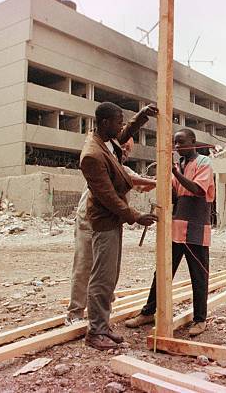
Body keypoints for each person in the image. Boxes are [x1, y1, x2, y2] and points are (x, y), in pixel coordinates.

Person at [79, 101, 158, 350]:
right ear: (105, 123)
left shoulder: (106, 141)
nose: (121, 127)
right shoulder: (92, 155)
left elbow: (125, 133)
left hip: (112, 219)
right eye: (118, 122)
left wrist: (142, 115)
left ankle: (102, 325)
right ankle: (95, 332)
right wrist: (135, 215)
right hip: (105, 220)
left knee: (110, 275)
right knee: (102, 278)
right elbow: (107, 197)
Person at [125, 128, 215, 336]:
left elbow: (197, 190)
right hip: (176, 227)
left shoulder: (204, 163)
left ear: (193, 142)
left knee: (198, 275)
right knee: (163, 271)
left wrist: (174, 173)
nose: (177, 147)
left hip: (196, 227)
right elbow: (175, 195)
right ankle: (149, 311)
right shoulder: (180, 165)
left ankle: (200, 319)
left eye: (181, 142)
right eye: (175, 143)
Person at [66, 138, 155, 325]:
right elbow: (128, 182)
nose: (125, 152)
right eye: (122, 148)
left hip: (110, 223)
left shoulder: (122, 168)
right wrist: (136, 214)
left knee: (109, 269)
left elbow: (141, 184)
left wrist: (160, 180)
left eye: (128, 150)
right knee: (84, 266)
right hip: (89, 221)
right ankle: (75, 312)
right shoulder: (101, 162)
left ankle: (100, 308)